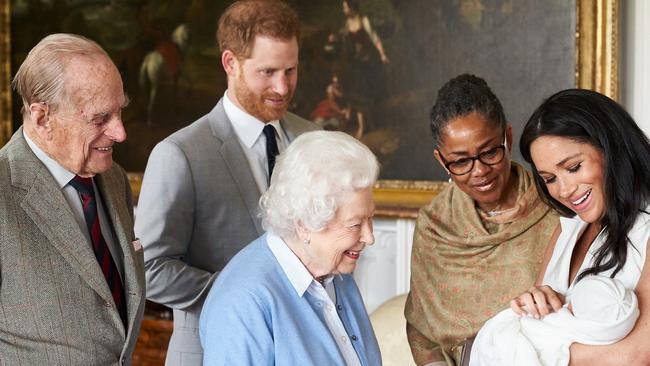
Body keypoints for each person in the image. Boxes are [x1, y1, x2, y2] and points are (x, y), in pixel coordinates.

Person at [134, 1, 319, 364]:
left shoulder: (313, 138)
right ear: (230, 63)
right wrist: (246, 292)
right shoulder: (179, 154)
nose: (282, 88)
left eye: (291, 71)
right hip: (209, 352)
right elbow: (149, 269)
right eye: (268, 72)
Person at [0, 33, 145, 365]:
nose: (120, 132)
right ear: (41, 117)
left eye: (119, 111)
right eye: (99, 118)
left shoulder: (114, 178)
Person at [404, 74, 559, 366]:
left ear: (508, 139)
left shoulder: (555, 206)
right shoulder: (434, 225)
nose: (479, 171)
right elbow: (422, 330)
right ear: (441, 160)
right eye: (461, 161)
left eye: (489, 152)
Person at [199, 130, 382, 365]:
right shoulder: (243, 301)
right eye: (355, 224)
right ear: (304, 224)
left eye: (371, 219)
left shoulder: (337, 272)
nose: (369, 237)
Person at [510, 88, 650, 365]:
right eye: (549, 178)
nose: (564, 190)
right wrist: (540, 302)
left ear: (611, 148)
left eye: (573, 167)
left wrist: (538, 351)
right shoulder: (567, 229)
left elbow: (638, 354)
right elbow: (533, 326)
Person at [471, 275, 639, 366]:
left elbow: (635, 357)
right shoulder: (566, 228)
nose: (568, 306)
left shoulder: (568, 336)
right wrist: (535, 302)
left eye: (572, 306)